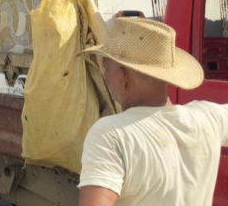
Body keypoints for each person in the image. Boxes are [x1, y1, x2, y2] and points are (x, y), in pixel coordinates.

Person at [77, 17, 228, 205]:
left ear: (123, 75)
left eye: (107, 67)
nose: (105, 74)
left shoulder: (110, 134)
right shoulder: (209, 117)